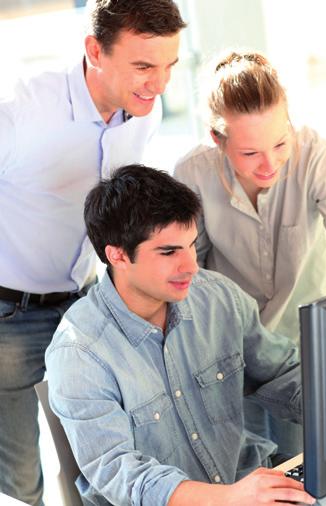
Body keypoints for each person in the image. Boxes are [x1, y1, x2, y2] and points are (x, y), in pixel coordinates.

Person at [0, 1, 186, 504]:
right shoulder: (20, 109)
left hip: (84, 306)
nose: (159, 83)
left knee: (98, 468)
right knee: (18, 481)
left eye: (169, 65)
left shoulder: (143, 110)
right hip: (7, 316)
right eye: (144, 66)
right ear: (94, 52)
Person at [45, 164, 315, 506]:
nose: (191, 265)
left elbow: (283, 375)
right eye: (169, 252)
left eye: (191, 245)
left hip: (248, 488)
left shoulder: (218, 298)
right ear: (118, 255)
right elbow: (122, 474)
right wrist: (228, 498)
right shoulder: (79, 353)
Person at [174, 50, 326, 459]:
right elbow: (189, 275)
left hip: (305, 354)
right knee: (243, 469)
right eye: (249, 153)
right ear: (217, 139)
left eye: (280, 143)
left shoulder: (318, 156)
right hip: (230, 350)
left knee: (306, 467)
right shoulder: (192, 174)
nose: (270, 164)